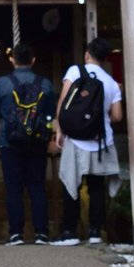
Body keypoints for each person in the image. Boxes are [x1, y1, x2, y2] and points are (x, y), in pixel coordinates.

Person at [52, 37, 123, 245]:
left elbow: (64, 102)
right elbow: (117, 117)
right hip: (101, 141)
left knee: (70, 182)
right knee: (97, 187)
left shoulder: (75, 72)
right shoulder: (111, 83)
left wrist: (59, 129)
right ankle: (94, 232)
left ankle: (69, 232)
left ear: (87, 54)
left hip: (76, 138)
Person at [0, 43, 55, 245]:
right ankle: (41, 233)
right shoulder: (45, 84)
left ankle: (16, 233)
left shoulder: (2, 83)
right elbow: (51, 114)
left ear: (12, 60)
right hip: (37, 141)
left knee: (13, 187)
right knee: (37, 186)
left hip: (10, 142)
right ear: (33, 60)